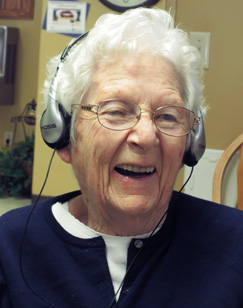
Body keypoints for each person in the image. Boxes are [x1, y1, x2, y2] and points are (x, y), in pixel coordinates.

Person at [0, 7, 243, 308]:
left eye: (168, 116)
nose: (145, 136)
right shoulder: (8, 246)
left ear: (191, 142)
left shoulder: (236, 243)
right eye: (116, 111)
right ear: (64, 134)